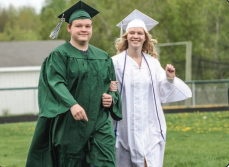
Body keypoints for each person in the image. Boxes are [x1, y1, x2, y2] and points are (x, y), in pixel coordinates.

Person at [25, 1, 122, 167]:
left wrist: (111, 98)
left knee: (106, 162)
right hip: (69, 124)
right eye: (79, 26)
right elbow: (55, 83)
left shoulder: (103, 57)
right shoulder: (59, 55)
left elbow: (112, 86)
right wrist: (72, 105)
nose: (84, 29)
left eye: (87, 26)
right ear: (69, 28)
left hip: (99, 122)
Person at [109, 9, 192, 167]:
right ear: (126, 37)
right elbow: (108, 89)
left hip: (150, 126)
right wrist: (110, 88)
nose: (136, 36)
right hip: (125, 125)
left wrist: (169, 78)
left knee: (149, 161)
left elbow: (162, 91)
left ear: (145, 37)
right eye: (132, 32)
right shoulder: (115, 62)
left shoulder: (152, 63)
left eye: (140, 33)